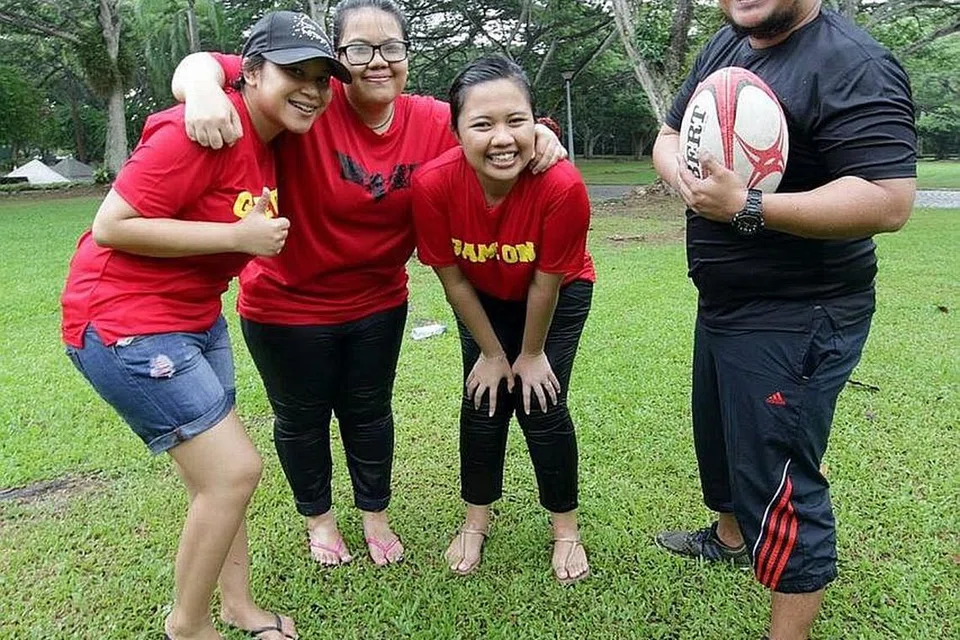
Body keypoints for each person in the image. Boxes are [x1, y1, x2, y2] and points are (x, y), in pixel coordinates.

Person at [170, 0, 566, 568]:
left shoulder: (431, 120)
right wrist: (201, 90)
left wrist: (545, 135)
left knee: (370, 414)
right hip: (285, 301)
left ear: (407, 55)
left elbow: (494, 123)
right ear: (337, 58)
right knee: (301, 420)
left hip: (378, 302)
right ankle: (320, 521)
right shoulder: (309, 101)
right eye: (358, 49)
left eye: (391, 48)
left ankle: (374, 515)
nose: (377, 61)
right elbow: (211, 65)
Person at [60, 11, 351, 640]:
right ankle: (187, 627)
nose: (311, 89)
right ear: (252, 74)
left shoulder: (263, 126)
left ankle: (238, 606)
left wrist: (199, 79)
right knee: (233, 473)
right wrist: (237, 237)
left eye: (320, 78)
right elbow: (112, 226)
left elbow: (207, 66)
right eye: (295, 73)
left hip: (196, 319)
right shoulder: (200, 130)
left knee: (219, 482)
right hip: (125, 320)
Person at [650, 0, 916, 638]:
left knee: (780, 474)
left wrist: (748, 206)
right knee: (722, 438)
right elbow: (669, 135)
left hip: (798, 314)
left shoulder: (853, 63)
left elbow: (888, 199)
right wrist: (685, 181)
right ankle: (730, 538)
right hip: (724, 303)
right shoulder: (727, 44)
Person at [412, 54, 595, 585]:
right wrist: (493, 354)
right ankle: (476, 521)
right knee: (483, 400)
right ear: (455, 132)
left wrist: (530, 354)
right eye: (482, 124)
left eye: (516, 121)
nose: (502, 138)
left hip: (558, 294)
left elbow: (546, 282)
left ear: (537, 123)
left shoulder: (561, 185)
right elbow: (452, 280)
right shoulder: (432, 185)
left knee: (542, 403)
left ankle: (566, 529)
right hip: (481, 296)